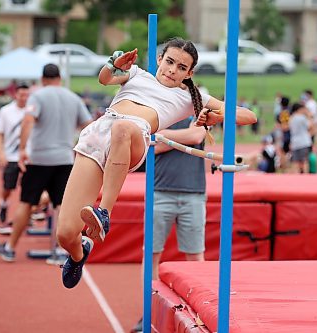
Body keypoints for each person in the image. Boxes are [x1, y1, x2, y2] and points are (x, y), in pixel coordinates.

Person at [55, 38, 256, 289]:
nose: (172, 70)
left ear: (189, 73)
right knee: (65, 233)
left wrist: (216, 114)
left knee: (122, 128)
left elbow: (249, 116)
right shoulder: (137, 74)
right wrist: (113, 64)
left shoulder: (189, 98)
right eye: (169, 62)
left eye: (181, 68)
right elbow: (104, 79)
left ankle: (104, 212)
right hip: (96, 137)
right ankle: (78, 253)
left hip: (132, 136)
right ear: (160, 59)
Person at [0, 64, 93, 262]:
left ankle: (10, 248)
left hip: (39, 159)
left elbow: (28, 120)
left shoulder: (37, 96)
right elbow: (88, 125)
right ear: (59, 78)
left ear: (43, 79)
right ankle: (60, 251)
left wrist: (22, 150)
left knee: (26, 203)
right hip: (64, 159)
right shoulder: (73, 98)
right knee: (61, 207)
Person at [132, 117, 208, 332]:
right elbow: (149, 147)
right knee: (151, 255)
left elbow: (197, 136)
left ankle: (198, 311)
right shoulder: (158, 112)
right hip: (159, 193)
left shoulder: (199, 108)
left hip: (193, 194)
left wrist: (164, 137)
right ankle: (149, 310)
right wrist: (178, 139)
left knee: (195, 257)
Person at [0, 83, 30, 232]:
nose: (24, 98)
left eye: (27, 95)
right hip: (11, 156)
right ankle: (3, 204)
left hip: (28, 158)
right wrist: (1, 153)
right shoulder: (6, 111)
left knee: (29, 189)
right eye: (21, 95)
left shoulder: (32, 110)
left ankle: (26, 217)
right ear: (15, 95)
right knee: (8, 187)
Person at [289, 103, 312, 173]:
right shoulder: (302, 118)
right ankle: (305, 176)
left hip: (295, 142)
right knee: (305, 161)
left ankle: (296, 176)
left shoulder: (291, 118)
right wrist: (309, 117)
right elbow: (309, 126)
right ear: (299, 109)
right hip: (304, 142)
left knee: (295, 161)